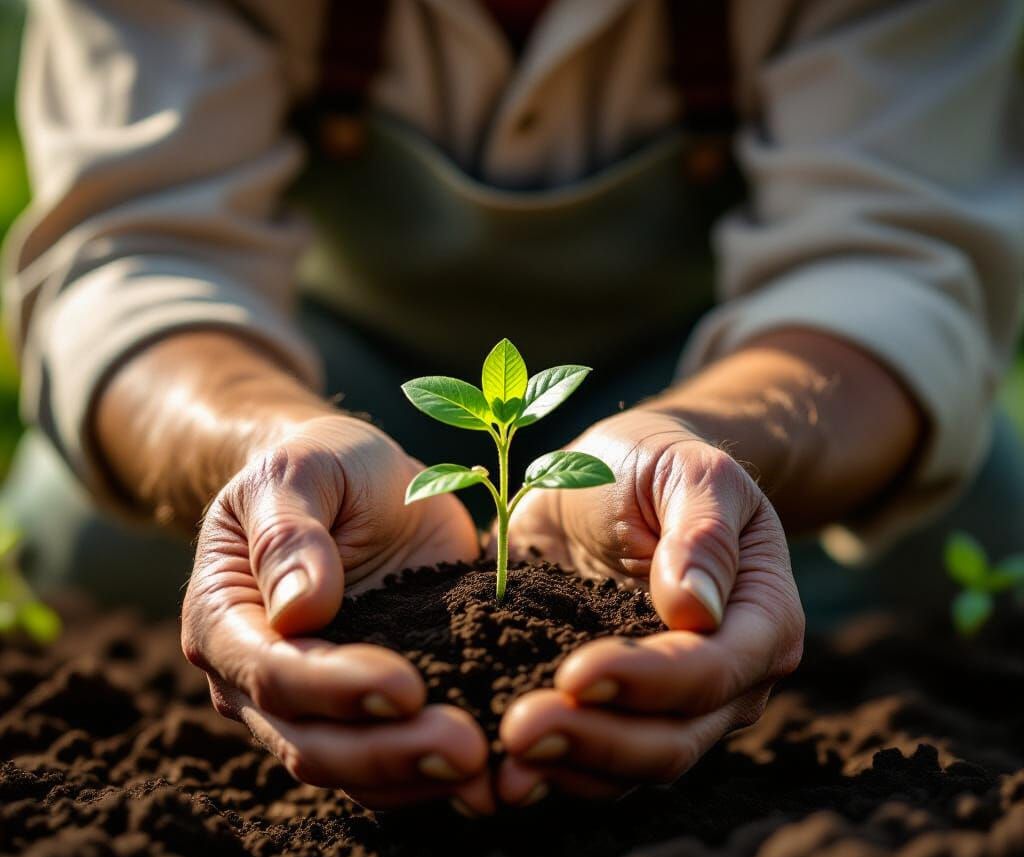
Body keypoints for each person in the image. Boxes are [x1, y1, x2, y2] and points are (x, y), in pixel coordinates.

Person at [3, 0, 1023, 815]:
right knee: (85, 535)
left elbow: (889, 263)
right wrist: (273, 446)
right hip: (323, 368)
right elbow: (140, 251)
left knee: (967, 525)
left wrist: (703, 449)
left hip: (713, 377)